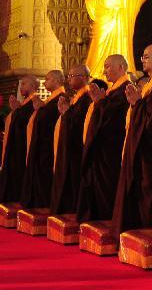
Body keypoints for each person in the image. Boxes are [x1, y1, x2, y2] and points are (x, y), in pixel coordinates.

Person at [109, 44, 152, 236]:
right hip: (146, 151)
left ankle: (149, 231)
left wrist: (138, 104)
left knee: (151, 192)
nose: (143, 60)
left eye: (147, 57)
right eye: (143, 56)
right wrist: (137, 104)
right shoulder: (151, 85)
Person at [76, 55, 131, 222]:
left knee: (108, 187)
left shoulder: (126, 90)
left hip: (111, 151)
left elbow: (112, 121)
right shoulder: (112, 90)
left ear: (121, 67)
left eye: (108, 66)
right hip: (101, 151)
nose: (104, 71)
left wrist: (100, 103)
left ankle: (105, 220)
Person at [50, 66, 94, 215]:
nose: (68, 79)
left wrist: (67, 113)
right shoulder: (77, 97)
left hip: (77, 150)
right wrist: (66, 112)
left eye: (72, 76)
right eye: (68, 76)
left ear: (82, 77)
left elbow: (79, 125)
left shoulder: (87, 98)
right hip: (71, 150)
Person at [19, 71, 66, 209]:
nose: (44, 82)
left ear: (57, 80)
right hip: (42, 146)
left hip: (49, 147)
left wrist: (41, 110)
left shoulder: (61, 98)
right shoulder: (51, 99)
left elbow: (53, 120)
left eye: (47, 79)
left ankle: (42, 206)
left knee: (44, 177)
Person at [0, 75, 40, 203]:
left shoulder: (35, 103)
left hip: (22, 152)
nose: (20, 87)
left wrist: (17, 111)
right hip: (15, 150)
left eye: (24, 84)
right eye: (20, 84)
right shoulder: (24, 104)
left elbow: (25, 126)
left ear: (33, 86)